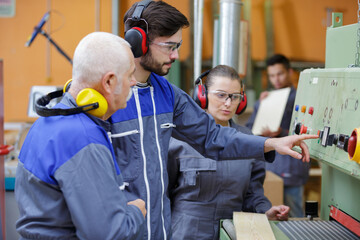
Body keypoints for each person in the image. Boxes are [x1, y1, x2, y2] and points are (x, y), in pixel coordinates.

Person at [110, 1, 317, 239]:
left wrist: (271, 144)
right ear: (139, 41)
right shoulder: (106, 95)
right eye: (169, 46)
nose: (176, 55)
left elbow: (213, 136)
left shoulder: (167, 95)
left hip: (159, 230)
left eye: (178, 46)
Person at [15, 32, 146, 239]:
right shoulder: (83, 139)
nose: (134, 82)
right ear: (109, 82)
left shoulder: (46, 124)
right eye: (129, 75)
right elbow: (108, 234)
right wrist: (135, 211)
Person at [168, 65, 290, 240]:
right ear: (202, 95)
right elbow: (163, 195)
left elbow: (253, 193)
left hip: (232, 231)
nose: (228, 103)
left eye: (235, 97)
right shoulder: (180, 139)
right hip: (186, 232)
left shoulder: (249, 140)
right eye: (221, 95)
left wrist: (265, 211)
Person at [246, 54, 310, 217]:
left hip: (291, 167)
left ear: (289, 72)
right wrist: (261, 106)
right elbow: (250, 129)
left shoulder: (302, 99)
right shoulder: (266, 99)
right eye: (272, 75)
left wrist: (281, 133)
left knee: (294, 215)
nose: (276, 79)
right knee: (272, 216)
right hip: (271, 168)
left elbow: (309, 130)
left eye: (280, 74)